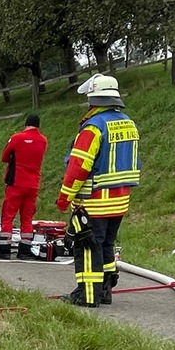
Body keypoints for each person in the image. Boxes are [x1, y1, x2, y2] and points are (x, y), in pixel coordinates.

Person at [56, 74, 140, 307]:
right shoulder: (128, 124)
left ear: (94, 100)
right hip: (120, 200)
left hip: (94, 201)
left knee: (88, 246)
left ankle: (87, 296)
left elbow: (78, 167)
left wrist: (64, 198)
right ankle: (105, 291)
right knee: (106, 245)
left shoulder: (93, 128)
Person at [0, 113, 48, 260]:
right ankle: (24, 250)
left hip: (17, 182)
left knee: (8, 215)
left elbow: (4, 157)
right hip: (33, 184)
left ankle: (4, 249)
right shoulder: (43, 140)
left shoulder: (17, 138)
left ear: (25, 124)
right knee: (27, 218)